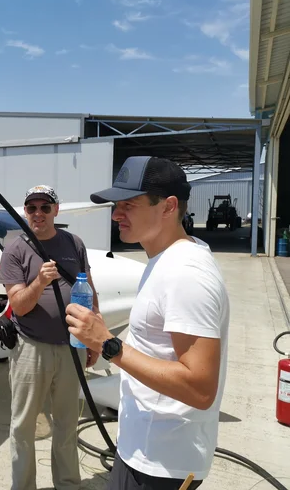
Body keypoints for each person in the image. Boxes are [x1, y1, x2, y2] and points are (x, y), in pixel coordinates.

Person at [65, 156, 230, 490]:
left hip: (160, 465)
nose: (116, 215)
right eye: (116, 205)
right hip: (147, 450)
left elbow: (200, 388)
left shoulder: (185, 274)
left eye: (129, 205)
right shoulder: (167, 258)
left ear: (169, 206)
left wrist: (107, 344)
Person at [0, 184, 101, 490]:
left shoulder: (74, 244)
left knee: (67, 424)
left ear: (56, 210)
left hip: (72, 347)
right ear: (25, 212)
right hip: (31, 349)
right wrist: (40, 281)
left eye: (45, 207)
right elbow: (19, 304)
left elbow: (89, 289)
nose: (38, 213)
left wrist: (94, 336)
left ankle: (68, 484)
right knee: (24, 426)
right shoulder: (15, 250)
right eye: (32, 208)